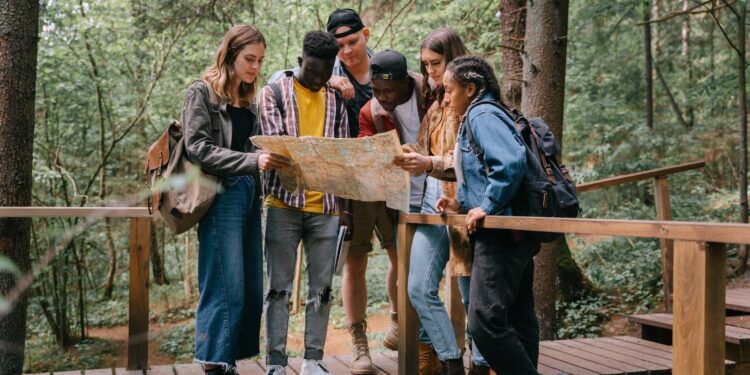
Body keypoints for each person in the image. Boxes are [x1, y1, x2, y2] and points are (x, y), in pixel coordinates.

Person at [182, 25, 290, 375]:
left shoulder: (248, 98)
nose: (255, 67)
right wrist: (251, 162)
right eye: (249, 59)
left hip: (250, 195)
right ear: (230, 54)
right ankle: (214, 363)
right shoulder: (201, 93)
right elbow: (197, 148)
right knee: (224, 284)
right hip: (220, 196)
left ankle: (227, 359)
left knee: (248, 287)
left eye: (260, 61)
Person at [392, 28, 490, 375]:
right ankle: (450, 361)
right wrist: (403, 153)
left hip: (464, 204)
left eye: (436, 63)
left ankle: (480, 364)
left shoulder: (473, 104)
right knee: (418, 287)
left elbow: (468, 161)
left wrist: (429, 162)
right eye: (426, 64)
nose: (430, 71)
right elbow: (425, 150)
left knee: (471, 295)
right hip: (431, 203)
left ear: (453, 59)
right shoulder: (435, 104)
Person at [436, 55, 539, 374]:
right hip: (512, 230)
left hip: (501, 234)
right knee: (519, 320)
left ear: (470, 87)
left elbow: (508, 163)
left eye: (449, 90)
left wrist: (488, 205)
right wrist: (464, 206)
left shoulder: (481, 114)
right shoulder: (491, 113)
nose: (445, 98)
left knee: (484, 322)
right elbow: (488, 171)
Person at [257, 30, 350, 375]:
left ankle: (313, 359)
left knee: (322, 288)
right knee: (277, 288)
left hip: (324, 206)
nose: (318, 79)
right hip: (282, 203)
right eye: (312, 72)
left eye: (326, 74)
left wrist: (344, 209)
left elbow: (339, 158)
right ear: (300, 62)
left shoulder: (336, 99)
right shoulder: (274, 93)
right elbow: (278, 148)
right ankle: (276, 363)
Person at [354, 49, 426, 373]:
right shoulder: (370, 111)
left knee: (422, 272)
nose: (382, 98)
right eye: (376, 90)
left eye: (388, 91)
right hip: (400, 193)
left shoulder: (428, 93)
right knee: (403, 261)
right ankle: (403, 326)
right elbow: (367, 149)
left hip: (437, 186)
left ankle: (426, 343)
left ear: (405, 82)